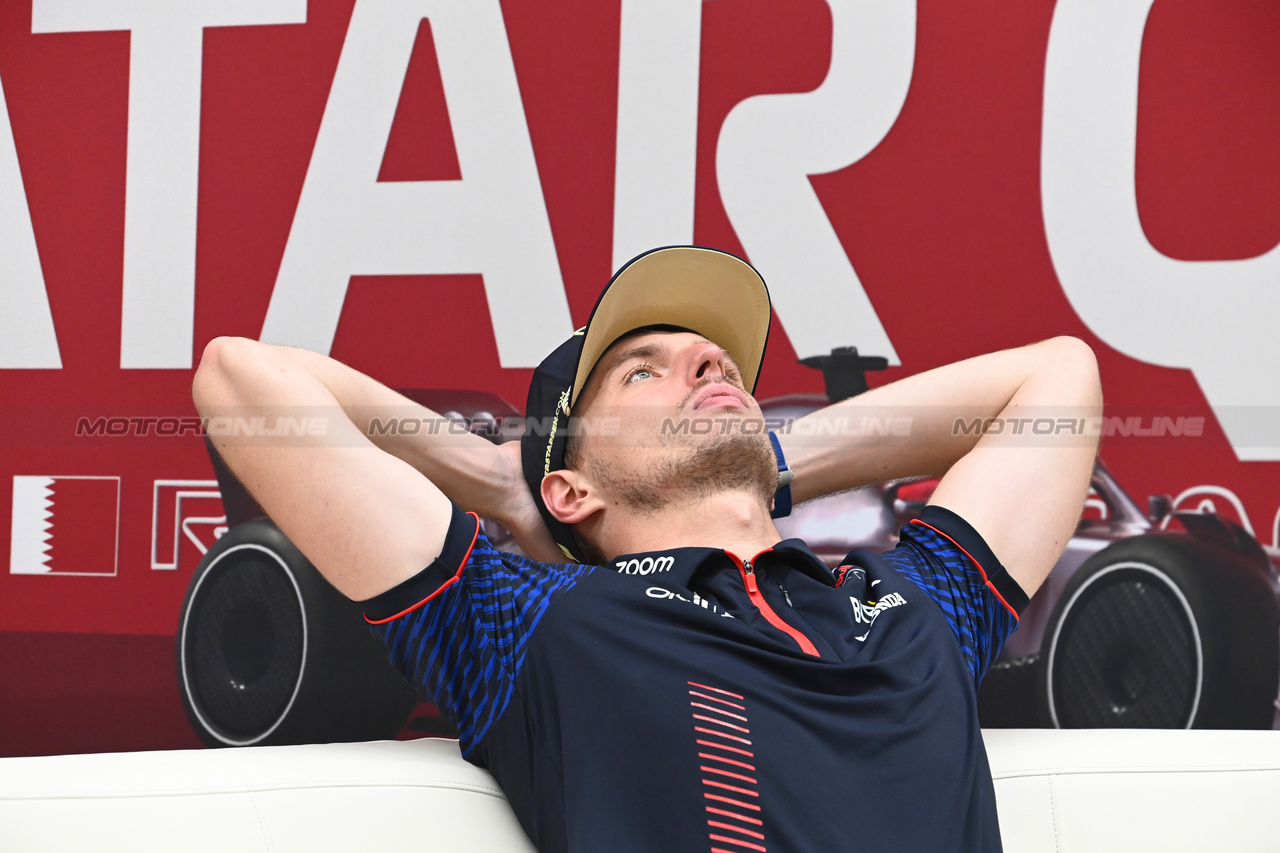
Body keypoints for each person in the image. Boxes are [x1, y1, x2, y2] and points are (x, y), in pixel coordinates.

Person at [193, 246, 1101, 852]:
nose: (707, 361)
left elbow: (1058, 378)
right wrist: (498, 481)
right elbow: (241, 380)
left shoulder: (911, 604)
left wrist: (763, 459)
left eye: (717, 364)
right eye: (643, 370)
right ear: (571, 490)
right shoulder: (531, 622)